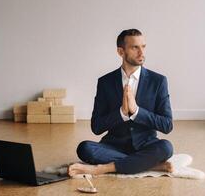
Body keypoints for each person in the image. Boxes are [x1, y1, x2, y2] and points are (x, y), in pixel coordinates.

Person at [68, 29, 173, 176]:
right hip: (114, 146)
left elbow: (167, 125)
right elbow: (96, 127)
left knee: (166, 147)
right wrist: (122, 113)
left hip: (146, 145)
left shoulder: (158, 81)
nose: (141, 53)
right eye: (135, 47)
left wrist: (136, 111)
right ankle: (148, 164)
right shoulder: (105, 82)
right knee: (84, 148)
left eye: (143, 46)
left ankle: (103, 169)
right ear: (120, 51)